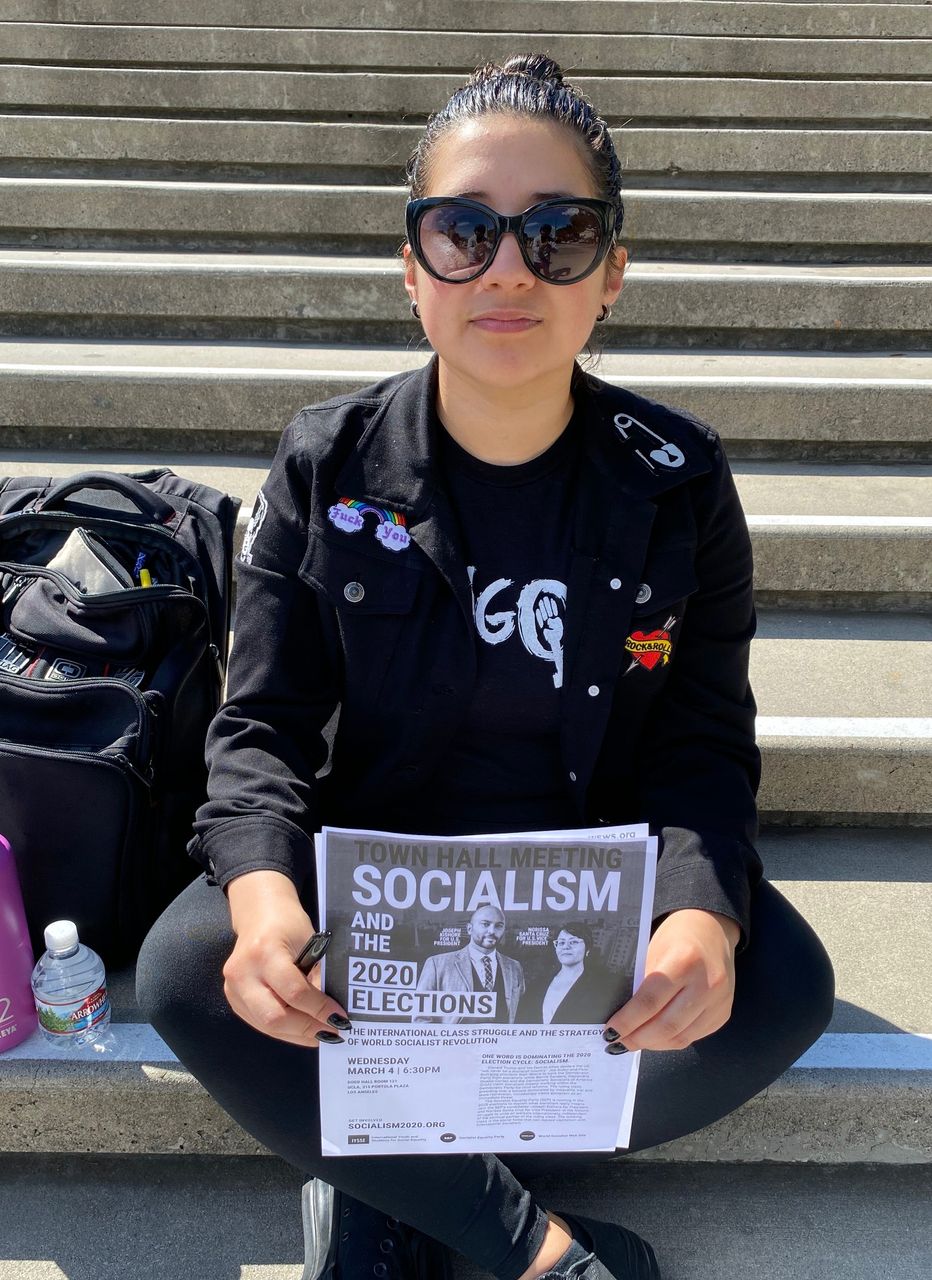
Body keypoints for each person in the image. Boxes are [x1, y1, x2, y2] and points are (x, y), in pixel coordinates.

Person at [136, 54, 835, 1280]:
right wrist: (262, 899)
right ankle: (537, 1245)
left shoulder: (675, 480)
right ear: (412, 269)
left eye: (558, 233)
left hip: (582, 893)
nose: (508, 268)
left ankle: (389, 1181)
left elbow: (702, 736)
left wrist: (697, 913)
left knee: (779, 982)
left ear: (610, 274)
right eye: (463, 230)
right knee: (188, 970)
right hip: (380, 895)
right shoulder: (327, 462)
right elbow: (260, 725)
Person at [414, 905, 525, 1023]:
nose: (492, 931)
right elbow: (421, 1019)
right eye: (485, 924)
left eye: (498, 926)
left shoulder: (514, 967)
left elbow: (520, 1012)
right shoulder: (437, 964)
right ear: (469, 929)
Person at [517, 924, 609, 1025]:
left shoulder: (599, 989)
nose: (566, 947)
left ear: (588, 949)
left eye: (573, 942)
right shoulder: (539, 983)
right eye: (561, 942)